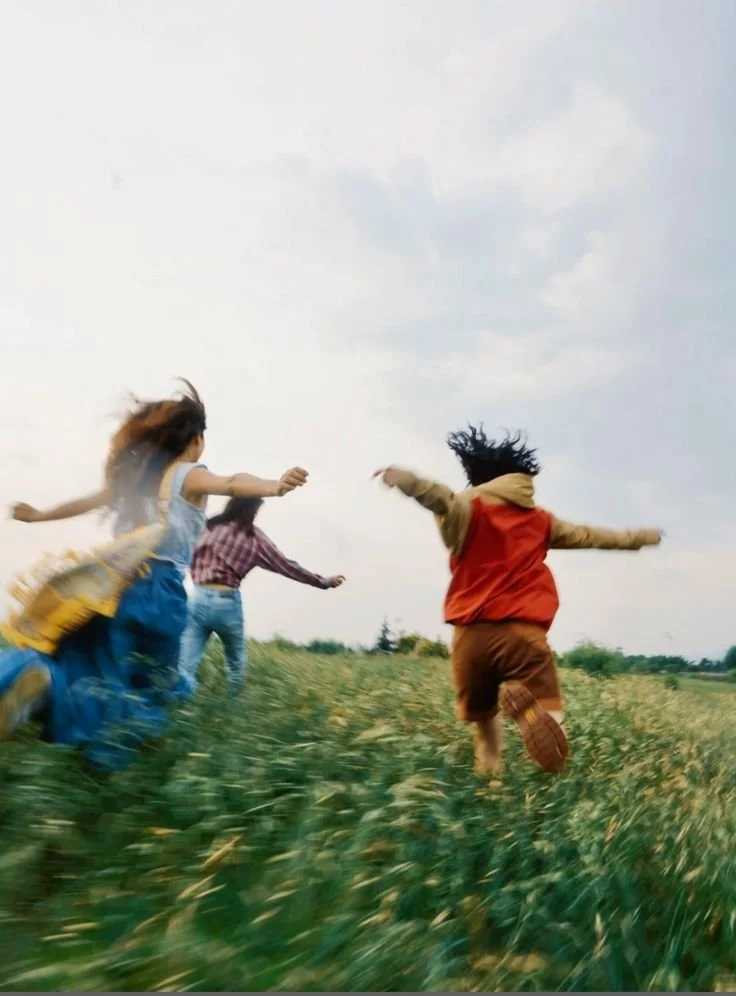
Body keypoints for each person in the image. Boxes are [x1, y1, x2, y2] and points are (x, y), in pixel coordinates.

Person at [0, 381, 308, 769]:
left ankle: (39, 681)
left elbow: (84, 502)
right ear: (195, 440)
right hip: (159, 595)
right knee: (148, 686)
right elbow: (231, 482)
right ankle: (103, 766)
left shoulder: (134, 480)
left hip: (111, 588)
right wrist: (274, 486)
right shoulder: (185, 474)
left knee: (88, 666)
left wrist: (39, 515)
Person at [374, 425, 663, 776]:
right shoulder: (541, 521)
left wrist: (406, 480)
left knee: (483, 727)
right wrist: (638, 538)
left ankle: (490, 785)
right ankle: (535, 724)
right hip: (523, 635)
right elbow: (590, 536)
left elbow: (440, 497)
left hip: (470, 635)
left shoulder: (468, 508)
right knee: (549, 715)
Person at [179, 496, 345, 695]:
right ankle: (234, 711)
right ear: (251, 511)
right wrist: (323, 582)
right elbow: (286, 566)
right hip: (226, 602)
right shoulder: (253, 537)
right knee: (235, 664)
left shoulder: (208, 528)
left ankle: (179, 707)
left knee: (184, 665)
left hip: (197, 597)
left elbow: (183, 552)